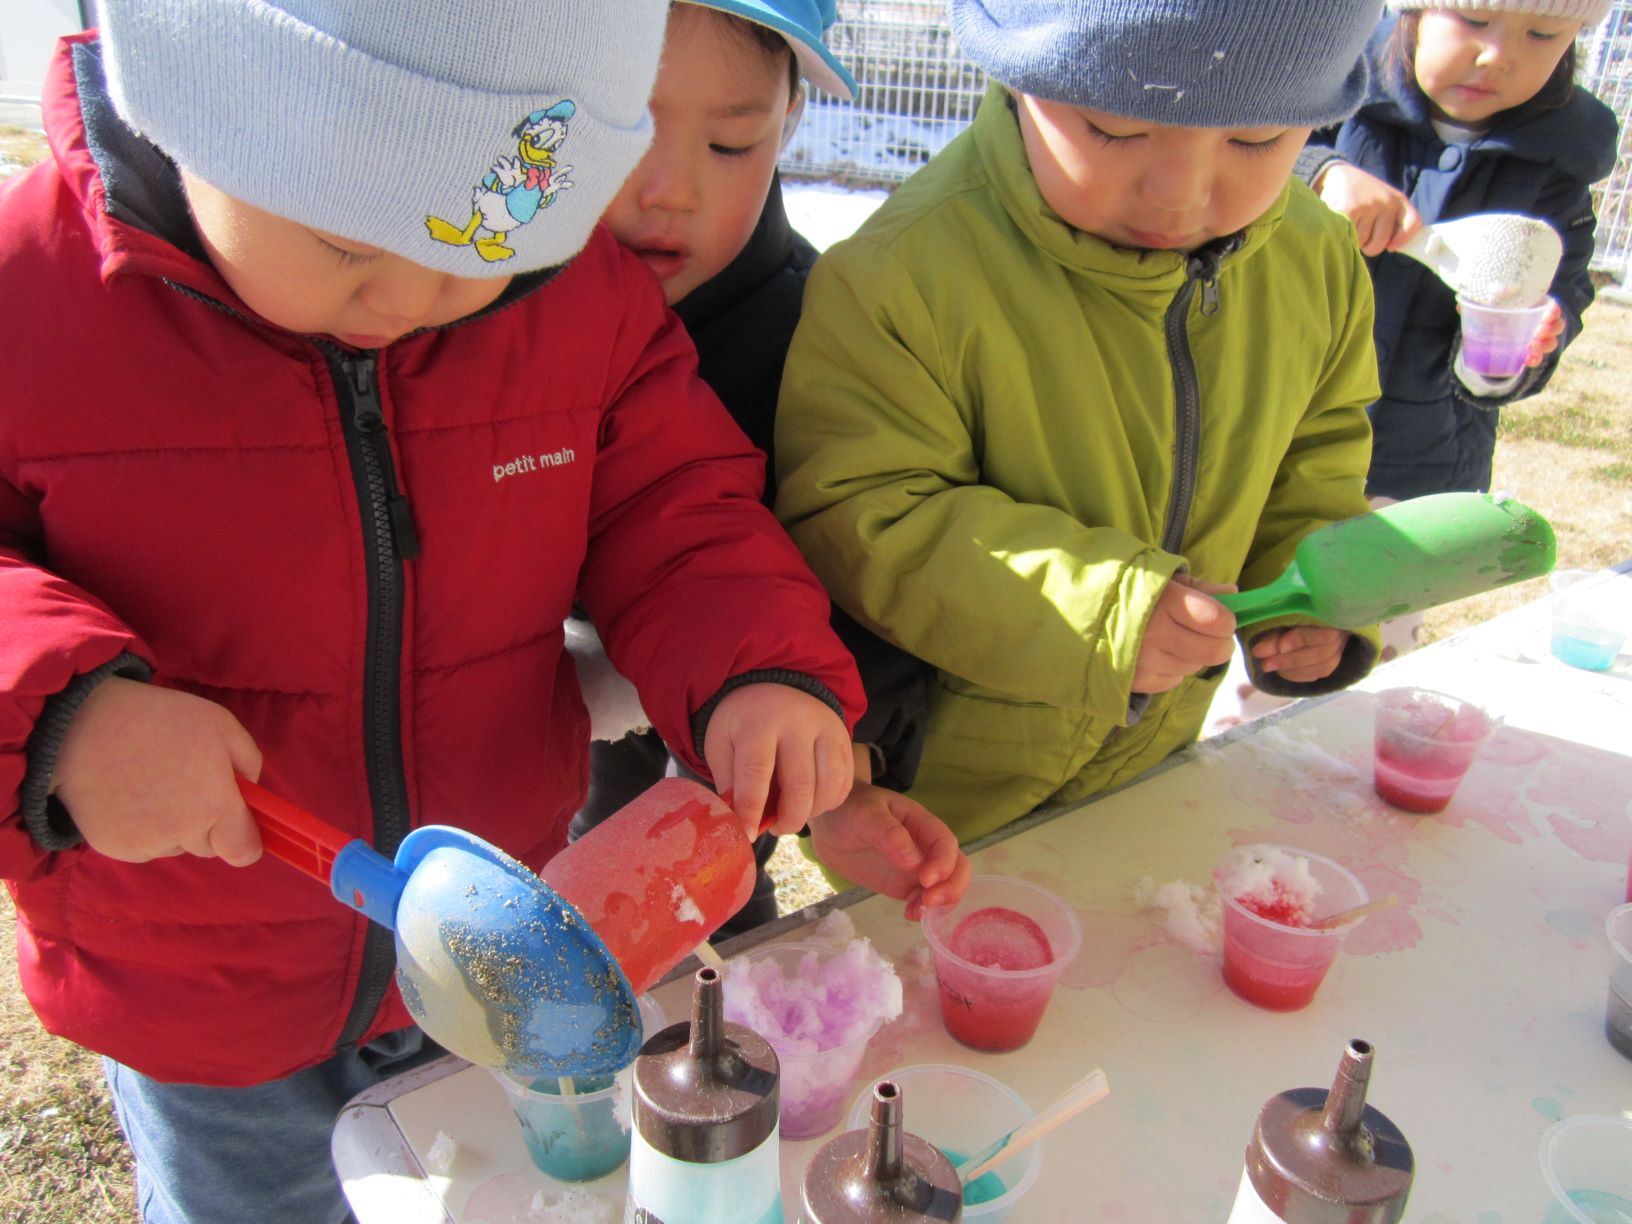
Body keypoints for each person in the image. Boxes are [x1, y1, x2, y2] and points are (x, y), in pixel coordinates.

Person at [0, 2, 873, 1220]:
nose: (412, 293)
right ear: (197, 109)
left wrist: (757, 668)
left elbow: (675, 507)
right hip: (207, 991)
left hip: (498, 950)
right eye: (347, 242)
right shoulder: (30, 299)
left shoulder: (574, 301)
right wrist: (64, 716)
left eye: (482, 242)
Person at [774, 0, 1389, 843]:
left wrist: (1313, 594)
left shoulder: (1315, 257)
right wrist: (1105, 615)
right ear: (1019, 75)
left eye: (1255, 138)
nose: (1180, 192)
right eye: (1114, 128)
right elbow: (865, 514)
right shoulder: (903, 273)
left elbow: (1316, 456)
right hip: (945, 798)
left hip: (1151, 759)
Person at [585, 0, 970, 919]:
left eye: (732, 145)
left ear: (788, 122)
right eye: (621, 127)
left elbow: (856, 567)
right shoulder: (456, 302)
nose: (669, 189)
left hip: (729, 745)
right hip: (537, 737)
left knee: (701, 908)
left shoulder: (816, 335)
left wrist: (842, 777)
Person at [1301, 0, 1619, 503]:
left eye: (1541, 35)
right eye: (1474, 21)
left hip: (1423, 466)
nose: (1497, 56)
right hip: (1284, 435)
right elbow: (1240, 163)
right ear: (1414, 13)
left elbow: (1561, 289)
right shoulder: (1329, 93)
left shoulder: (1558, 167)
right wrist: (1321, 173)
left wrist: (1510, 351)